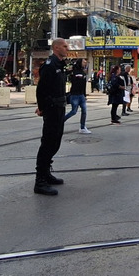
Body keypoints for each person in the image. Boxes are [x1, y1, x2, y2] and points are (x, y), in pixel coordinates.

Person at [33, 38, 69, 196]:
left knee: (55, 143)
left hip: (60, 108)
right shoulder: (49, 65)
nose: (67, 48)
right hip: (52, 109)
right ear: (56, 48)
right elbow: (41, 90)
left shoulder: (60, 64)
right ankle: (39, 181)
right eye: (65, 46)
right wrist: (41, 108)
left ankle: (46, 173)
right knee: (47, 143)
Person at [64, 60, 91, 134]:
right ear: (80, 63)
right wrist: (69, 70)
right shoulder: (74, 71)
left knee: (84, 111)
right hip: (75, 94)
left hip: (81, 95)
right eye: (83, 62)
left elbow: (83, 85)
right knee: (73, 111)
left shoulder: (83, 72)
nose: (85, 63)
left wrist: (84, 95)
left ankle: (82, 127)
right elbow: (65, 74)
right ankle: (61, 121)